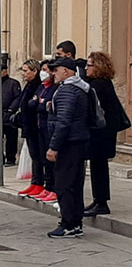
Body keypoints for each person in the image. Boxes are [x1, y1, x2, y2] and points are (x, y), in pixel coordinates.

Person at [46, 57, 91, 238]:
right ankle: (75, 222)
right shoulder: (80, 88)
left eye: (56, 70)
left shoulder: (67, 91)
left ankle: (69, 223)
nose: (53, 73)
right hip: (78, 141)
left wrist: (53, 146)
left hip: (69, 143)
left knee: (64, 184)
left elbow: (63, 121)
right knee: (75, 183)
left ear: (66, 71)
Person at [84, 52, 127, 217]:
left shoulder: (99, 85)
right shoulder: (100, 83)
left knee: (99, 166)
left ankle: (101, 202)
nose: (86, 68)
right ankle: (98, 200)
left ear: (98, 67)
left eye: (89, 65)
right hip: (102, 131)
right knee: (97, 166)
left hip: (102, 132)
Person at [30, 60, 58, 202]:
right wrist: (38, 102)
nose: (43, 72)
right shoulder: (41, 87)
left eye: (45, 69)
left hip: (49, 127)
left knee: (51, 160)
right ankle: (47, 187)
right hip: (40, 125)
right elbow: (32, 103)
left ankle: (53, 188)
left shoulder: (54, 88)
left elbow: (45, 106)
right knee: (42, 157)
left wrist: (39, 103)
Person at [15, 60, 44, 197]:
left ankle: (40, 183)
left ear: (35, 71)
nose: (23, 73)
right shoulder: (29, 84)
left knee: (38, 156)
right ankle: (35, 182)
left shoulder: (38, 85)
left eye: (26, 71)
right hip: (28, 126)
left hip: (35, 126)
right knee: (34, 156)